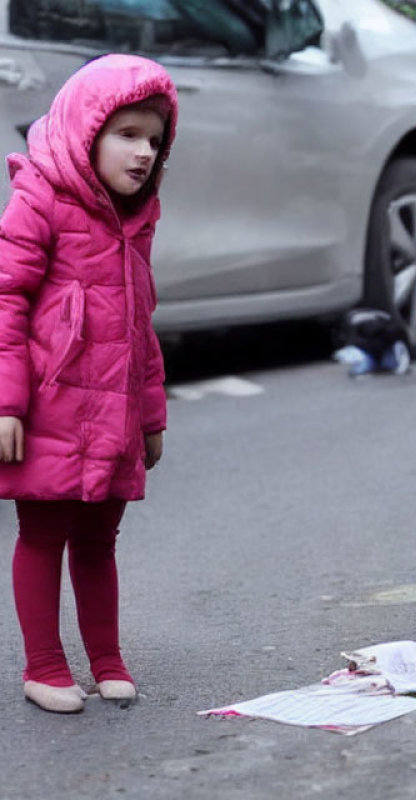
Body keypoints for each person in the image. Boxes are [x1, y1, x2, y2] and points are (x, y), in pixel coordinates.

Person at [0, 55, 178, 713]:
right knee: (43, 533)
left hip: (113, 413)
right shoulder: (39, 201)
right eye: (127, 133)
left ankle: (107, 658)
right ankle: (44, 666)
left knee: (100, 539)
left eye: (155, 140)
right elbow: (6, 303)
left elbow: (142, 322)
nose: (143, 153)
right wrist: (6, 403)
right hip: (49, 406)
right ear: (86, 130)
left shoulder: (138, 221)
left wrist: (151, 415)